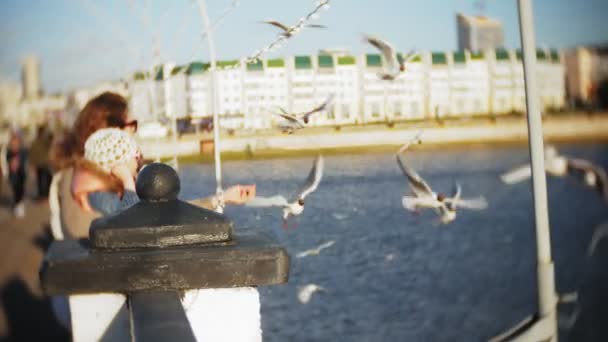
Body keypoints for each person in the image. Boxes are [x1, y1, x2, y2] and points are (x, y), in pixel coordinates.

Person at [6, 130, 28, 218]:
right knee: (15, 189)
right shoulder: (9, 152)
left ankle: (20, 204)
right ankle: (17, 204)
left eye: (16, 142)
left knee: (21, 189)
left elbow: (25, 161)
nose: (14, 143)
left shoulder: (23, 151)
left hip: (21, 174)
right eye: (13, 142)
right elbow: (8, 161)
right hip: (13, 175)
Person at [29, 124, 54, 200]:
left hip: (45, 163)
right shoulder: (36, 142)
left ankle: (45, 194)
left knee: (47, 179)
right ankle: (42, 195)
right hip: (40, 164)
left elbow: (51, 140)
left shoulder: (44, 141)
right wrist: (32, 164)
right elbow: (32, 154)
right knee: (41, 180)